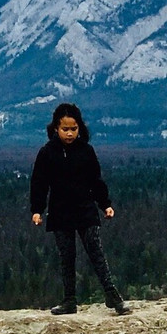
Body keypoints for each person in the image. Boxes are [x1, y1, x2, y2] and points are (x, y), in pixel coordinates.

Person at [30, 103, 130, 316]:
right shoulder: (47, 153)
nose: (69, 133)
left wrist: (106, 204)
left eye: (73, 128)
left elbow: (96, 181)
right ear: (56, 128)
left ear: (80, 128)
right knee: (67, 256)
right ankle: (69, 301)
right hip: (59, 211)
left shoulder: (86, 151)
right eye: (65, 128)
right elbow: (39, 183)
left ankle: (112, 295)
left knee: (96, 251)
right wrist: (37, 209)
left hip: (85, 208)